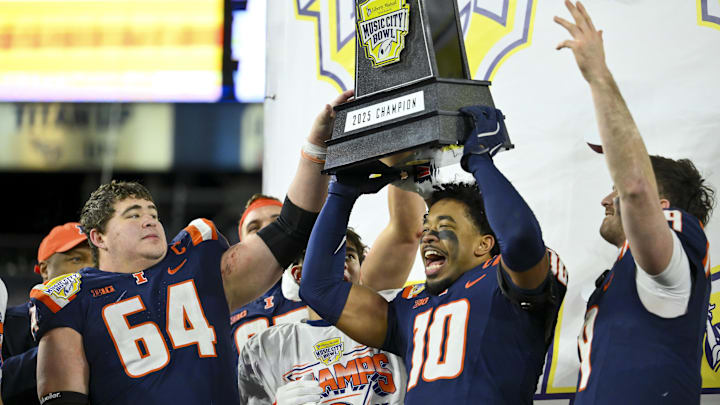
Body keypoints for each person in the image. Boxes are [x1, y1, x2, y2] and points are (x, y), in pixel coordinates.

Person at [29, 90, 354, 405]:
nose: (149, 221)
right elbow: (63, 396)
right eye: (133, 215)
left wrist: (316, 146)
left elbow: (290, 229)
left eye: (152, 214)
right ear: (98, 237)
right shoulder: (72, 296)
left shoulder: (194, 260)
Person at [299, 106, 568, 403]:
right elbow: (318, 288)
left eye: (444, 226)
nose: (428, 234)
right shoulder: (409, 306)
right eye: (427, 225)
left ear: (484, 244)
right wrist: (342, 193)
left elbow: (518, 238)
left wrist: (480, 162)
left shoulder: (506, 281)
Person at [554, 1, 715, 403]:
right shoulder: (627, 275)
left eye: (616, 188)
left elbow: (636, 188)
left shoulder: (674, 259)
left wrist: (598, 76)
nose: (607, 199)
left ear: (664, 209)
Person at [238, 184, 425, 404]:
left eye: (348, 256)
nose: (339, 265)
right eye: (255, 227)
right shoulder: (251, 332)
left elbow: (406, 233)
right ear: (298, 274)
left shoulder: (387, 310)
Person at [1, 222, 92, 405]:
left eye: (98, 259)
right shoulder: (12, 324)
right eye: (76, 259)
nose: (89, 268)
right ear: (44, 270)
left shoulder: (118, 313)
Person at [230, 194, 308, 354]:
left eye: (277, 223)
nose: (267, 230)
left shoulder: (323, 277)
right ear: (240, 246)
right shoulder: (226, 302)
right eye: (253, 227)